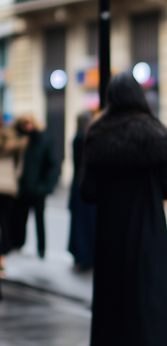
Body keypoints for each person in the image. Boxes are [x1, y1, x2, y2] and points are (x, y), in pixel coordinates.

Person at [80, 72, 167, 346]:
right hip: (148, 234)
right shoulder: (154, 133)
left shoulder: (97, 134)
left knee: (116, 308)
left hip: (111, 237)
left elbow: (88, 191)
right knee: (144, 307)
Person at [12, 116, 59, 259]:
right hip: (22, 188)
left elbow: (52, 165)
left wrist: (46, 186)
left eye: (29, 122)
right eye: (23, 123)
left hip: (38, 189)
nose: (27, 126)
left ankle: (41, 249)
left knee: (39, 220)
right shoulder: (18, 141)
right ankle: (18, 244)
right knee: (20, 219)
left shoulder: (43, 140)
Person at [68, 111, 96, 269]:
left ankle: (82, 256)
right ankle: (86, 256)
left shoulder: (78, 137)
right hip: (85, 183)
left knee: (80, 224)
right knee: (87, 224)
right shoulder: (85, 138)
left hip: (78, 183)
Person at [0, 119, 29, 276]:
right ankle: (2, 258)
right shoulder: (15, 141)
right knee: (5, 221)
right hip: (9, 186)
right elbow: (19, 166)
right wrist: (15, 180)